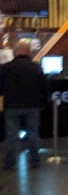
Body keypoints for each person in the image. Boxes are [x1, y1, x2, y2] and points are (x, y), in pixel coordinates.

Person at [1, 39, 48, 170]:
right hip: (32, 104)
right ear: (28, 52)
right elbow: (44, 86)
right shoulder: (36, 67)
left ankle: (10, 163)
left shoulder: (6, 68)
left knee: (11, 135)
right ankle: (34, 160)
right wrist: (44, 101)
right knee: (33, 133)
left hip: (12, 105)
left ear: (15, 52)